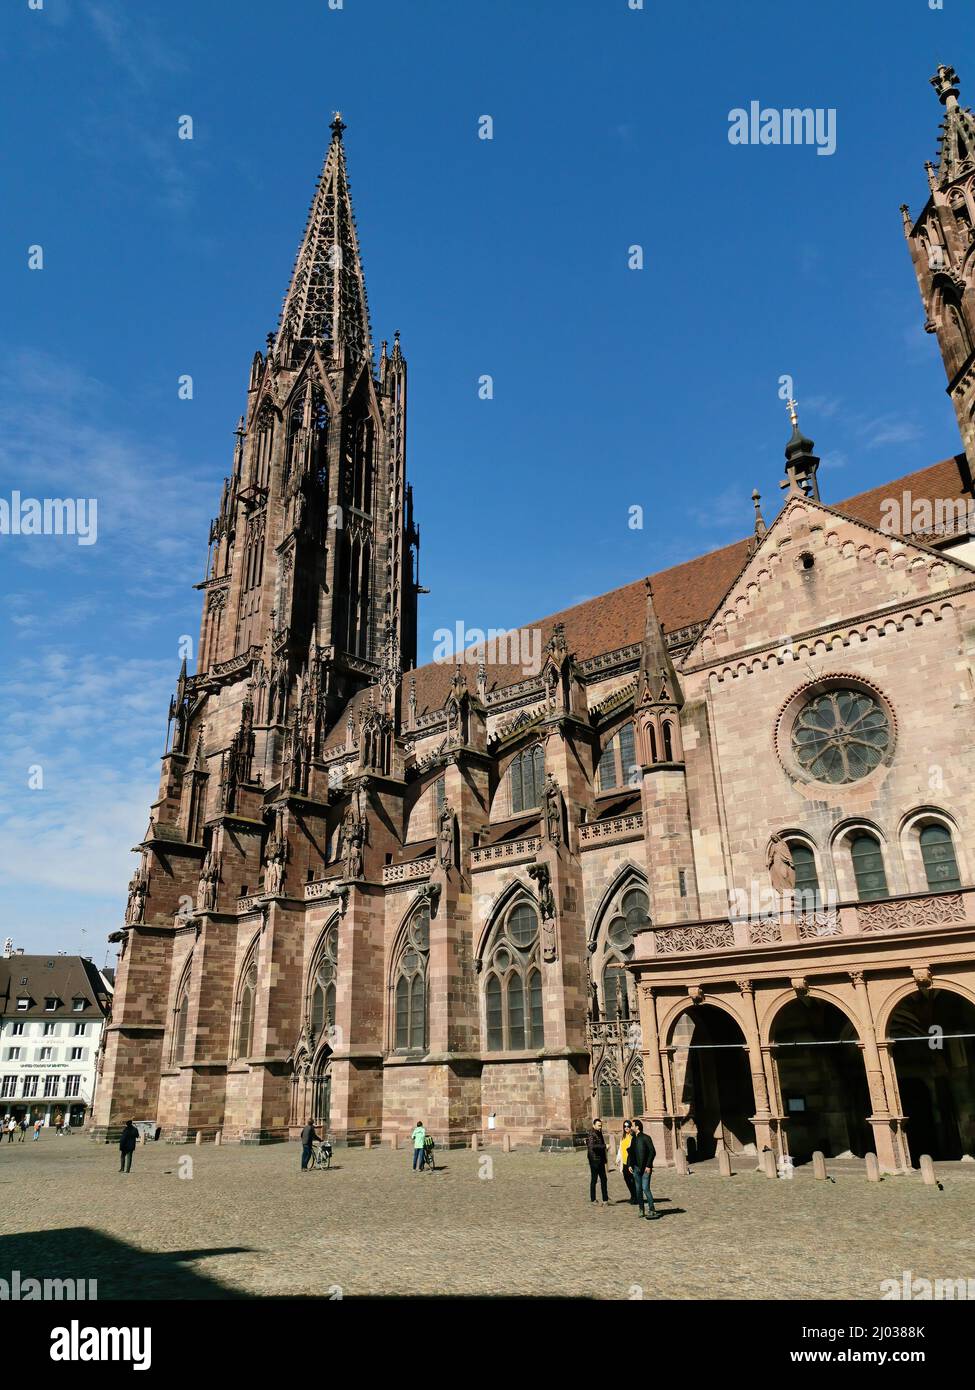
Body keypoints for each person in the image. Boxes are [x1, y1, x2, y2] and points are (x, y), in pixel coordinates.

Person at [626, 1119, 659, 1220]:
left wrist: (649, 1165)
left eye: (632, 1126)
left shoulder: (646, 1138)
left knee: (645, 1188)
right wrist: (630, 1165)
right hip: (636, 1169)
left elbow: (652, 1152)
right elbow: (631, 1153)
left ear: (637, 1127)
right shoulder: (634, 1139)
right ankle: (641, 1209)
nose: (631, 1127)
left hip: (645, 1169)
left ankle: (652, 1209)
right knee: (638, 1190)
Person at [586, 1117, 609, 1204]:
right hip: (594, 1161)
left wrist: (605, 1159)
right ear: (594, 1125)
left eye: (601, 1125)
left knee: (604, 1179)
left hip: (600, 1160)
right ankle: (593, 1199)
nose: (600, 1127)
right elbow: (592, 1147)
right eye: (598, 1125)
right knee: (594, 1180)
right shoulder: (591, 1134)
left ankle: (605, 1199)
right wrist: (604, 1146)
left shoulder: (599, 1133)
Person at [617, 1119, 636, 1203]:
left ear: (631, 1127)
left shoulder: (633, 1136)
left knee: (632, 1180)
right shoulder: (623, 1137)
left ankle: (635, 1196)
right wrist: (618, 1159)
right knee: (627, 1179)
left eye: (628, 1126)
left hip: (630, 1162)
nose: (626, 1128)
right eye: (625, 1126)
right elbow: (620, 1149)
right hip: (624, 1162)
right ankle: (632, 1195)